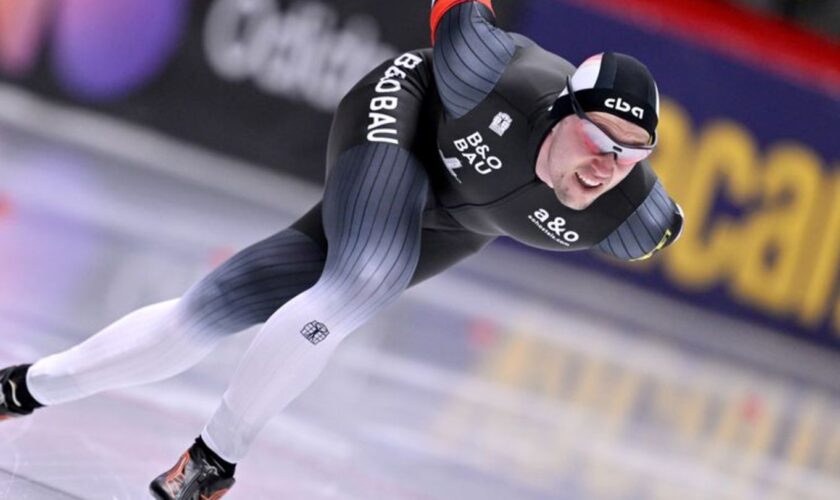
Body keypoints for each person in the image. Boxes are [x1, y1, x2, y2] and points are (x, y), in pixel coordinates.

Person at [0, 1, 683, 498]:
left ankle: (23, 387)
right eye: (596, 141)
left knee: (211, 307)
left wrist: (628, 174)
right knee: (365, 276)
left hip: (457, 221)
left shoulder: (628, 218)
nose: (606, 166)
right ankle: (212, 465)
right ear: (560, 111)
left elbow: (659, 212)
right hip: (407, 113)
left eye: (629, 156)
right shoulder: (489, 71)